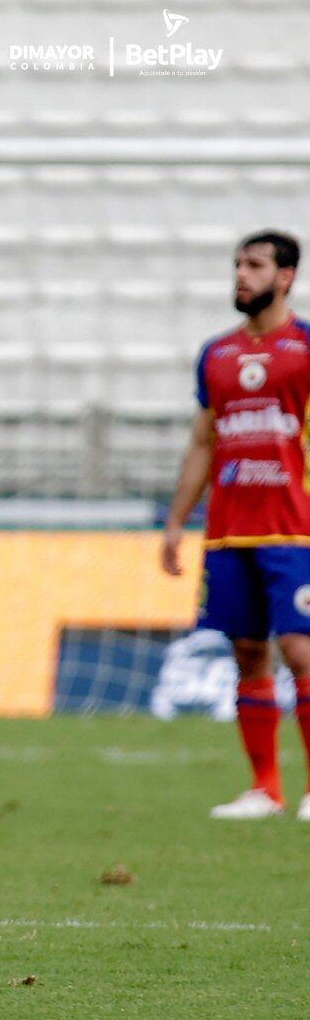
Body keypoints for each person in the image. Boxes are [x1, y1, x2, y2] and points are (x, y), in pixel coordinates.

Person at [163, 230, 310, 822]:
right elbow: (204, 441)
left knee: (299, 650)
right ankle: (265, 789)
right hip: (228, 532)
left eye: (254, 265)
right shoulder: (216, 354)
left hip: (294, 530)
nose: (241, 275)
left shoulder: (306, 347)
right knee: (247, 653)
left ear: (285, 277)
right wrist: (177, 521)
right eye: (237, 265)